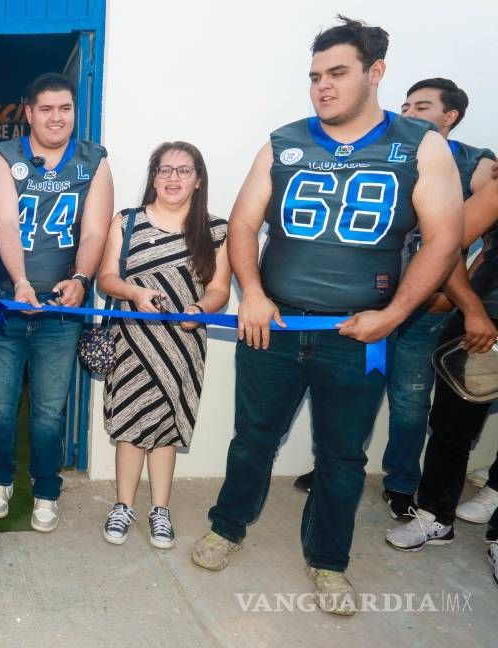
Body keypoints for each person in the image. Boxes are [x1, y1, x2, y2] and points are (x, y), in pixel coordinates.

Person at [191, 17, 462, 616]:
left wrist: (391, 316)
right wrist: (254, 295)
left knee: (342, 457)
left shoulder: (420, 145)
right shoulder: (285, 140)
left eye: (337, 73)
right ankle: (227, 526)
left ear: (375, 73)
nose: (323, 86)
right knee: (252, 439)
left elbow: (445, 240)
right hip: (277, 324)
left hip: (356, 333)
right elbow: (241, 224)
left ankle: (329, 561)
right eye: (315, 76)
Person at [293, 78, 496, 521]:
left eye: (421, 106)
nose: (407, 112)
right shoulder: (388, 150)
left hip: (421, 313)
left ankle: (401, 483)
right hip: (368, 302)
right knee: (352, 392)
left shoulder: (474, 163)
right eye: (404, 104)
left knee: (409, 400)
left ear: (450, 117)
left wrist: (464, 297)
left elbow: (462, 241)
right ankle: (332, 467)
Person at [0, 73, 113, 532]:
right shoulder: (3, 157)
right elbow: (6, 227)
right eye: (47, 109)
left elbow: (95, 231)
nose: (57, 117)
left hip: (61, 308)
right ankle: (0, 479)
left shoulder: (93, 160)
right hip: (5, 302)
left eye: (66, 109)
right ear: (29, 111)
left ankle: (45, 489)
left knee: (49, 409)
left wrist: (81, 278)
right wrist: (19, 282)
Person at [96, 142, 230, 549]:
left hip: (182, 345)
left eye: (183, 171)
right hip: (132, 340)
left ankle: (160, 511)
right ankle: (122, 506)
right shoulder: (127, 222)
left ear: (198, 179)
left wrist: (200, 308)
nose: (172, 178)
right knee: (130, 425)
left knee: (166, 428)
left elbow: (220, 289)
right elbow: (106, 278)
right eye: (164, 170)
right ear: (153, 176)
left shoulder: (216, 230)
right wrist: (134, 293)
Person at [385, 144, 498, 589]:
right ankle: (434, 517)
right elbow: (447, 246)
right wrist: (472, 309)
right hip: (483, 330)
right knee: (452, 428)